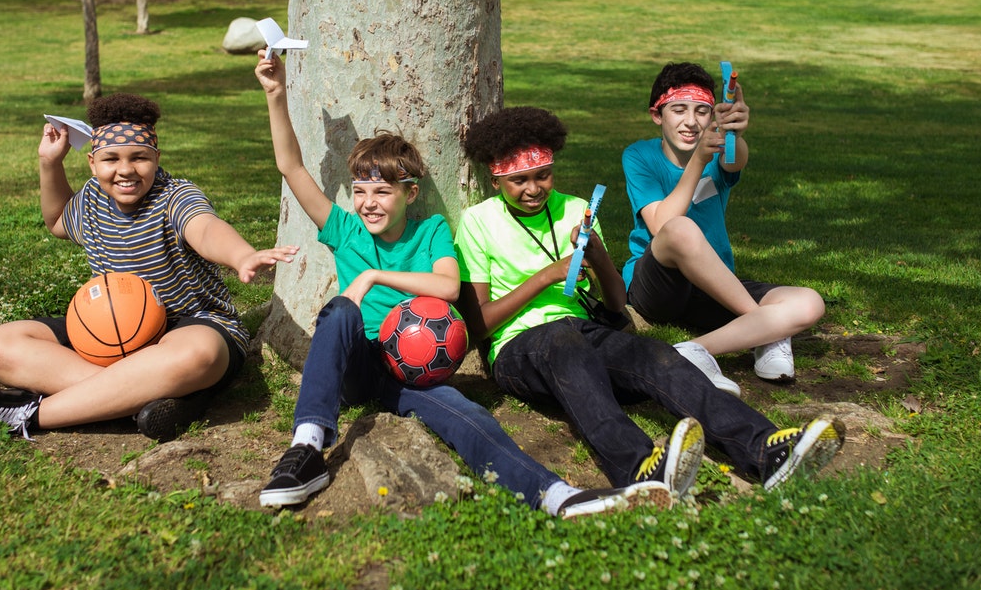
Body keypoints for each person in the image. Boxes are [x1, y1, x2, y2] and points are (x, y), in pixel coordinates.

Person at [252, 50, 694, 518]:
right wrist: (276, 93)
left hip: (414, 369)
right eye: (360, 192)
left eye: (382, 191)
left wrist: (373, 275)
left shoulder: (433, 232)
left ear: (410, 193)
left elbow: (446, 288)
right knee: (341, 310)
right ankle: (306, 448)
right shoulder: (344, 231)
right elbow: (291, 168)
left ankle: (558, 496)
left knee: (472, 418)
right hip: (359, 364)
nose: (368, 203)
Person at [454, 106, 844, 494]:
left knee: (659, 357)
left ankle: (765, 451)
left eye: (543, 176)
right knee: (563, 340)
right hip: (520, 349)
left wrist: (598, 256)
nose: (534, 189)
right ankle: (640, 469)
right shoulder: (478, 222)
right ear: (495, 180)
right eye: (519, 180)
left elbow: (615, 304)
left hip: (585, 332)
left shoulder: (575, 209)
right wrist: (548, 276)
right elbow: (479, 324)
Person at [0, 93, 298, 441]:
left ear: (157, 158)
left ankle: (32, 414)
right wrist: (49, 163)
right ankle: (142, 398)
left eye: (139, 157)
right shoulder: (91, 199)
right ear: (92, 162)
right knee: (1, 343)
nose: (125, 169)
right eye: (111, 159)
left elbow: (205, 228)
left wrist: (241, 255)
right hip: (109, 332)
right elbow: (57, 219)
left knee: (199, 356)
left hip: (188, 326)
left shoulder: (175, 195)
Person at [622, 62, 826, 392]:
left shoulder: (720, 152)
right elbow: (662, 225)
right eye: (678, 110)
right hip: (658, 286)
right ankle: (765, 329)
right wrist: (698, 162)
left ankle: (692, 352)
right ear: (657, 115)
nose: (690, 121)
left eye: (702, 111)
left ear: (713, 116)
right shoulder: (639, 156)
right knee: (682, 228)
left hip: (714, 281)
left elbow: (735, 159)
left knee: (809, 302)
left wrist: (736, 134)